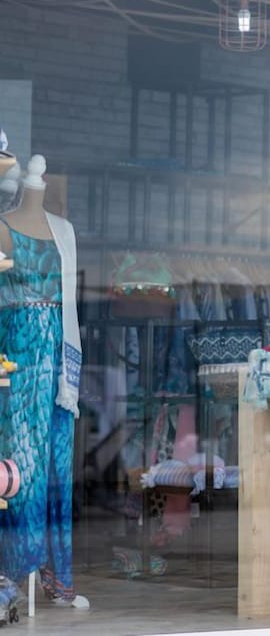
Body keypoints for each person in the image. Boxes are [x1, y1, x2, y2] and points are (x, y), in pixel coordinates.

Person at [0, 155, 87, 608]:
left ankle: (56, 573)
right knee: (22, 464)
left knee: (56, 465)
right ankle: (16, 569)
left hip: (56, 359)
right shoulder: (1, 228)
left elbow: (69, 301)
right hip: (17, 356)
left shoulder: (65, 232)